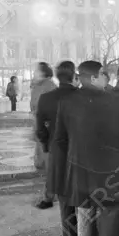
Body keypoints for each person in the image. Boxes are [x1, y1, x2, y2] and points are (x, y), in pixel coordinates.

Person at [50, 60, 119, 236]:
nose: (106, 79)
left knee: (85, 225)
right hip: (112, 176)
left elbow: (59, 141)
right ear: (96, 77)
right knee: (107, 229)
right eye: (104, 75)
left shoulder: (66, 103)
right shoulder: (116, 102)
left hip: (80, 175)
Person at [35, 61, 79, 211]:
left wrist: (46, 143)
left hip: (56, 146)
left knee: (56, 180)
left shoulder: (46, 98)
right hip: (80, 149)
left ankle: (50, 199)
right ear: (73, 76)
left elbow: (40, 127)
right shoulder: (82, 97)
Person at [30, 62, 55, 171]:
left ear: (44, 73)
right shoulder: (37, 85)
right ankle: (40, 164)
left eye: (37, 70)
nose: (35, 73)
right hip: (38, 120)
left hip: (46, 122)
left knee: (44, 144)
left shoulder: (50, 85)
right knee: (39, 142)